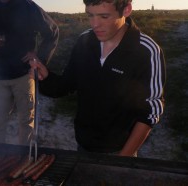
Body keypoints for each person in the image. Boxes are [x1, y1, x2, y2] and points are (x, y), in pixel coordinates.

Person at [29, 0, 166, 157]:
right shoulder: (84, 42)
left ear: (126, 10)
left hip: (120, 150)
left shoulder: (145, 50)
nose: (95, 24)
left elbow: (150, 112)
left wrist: (124, 158)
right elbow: (66, 84)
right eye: (90, 16)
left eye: (104, 16)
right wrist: (45, 77)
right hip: (83, 145)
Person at [0, 0, 59, 145]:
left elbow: (52, 31)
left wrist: (40, 57)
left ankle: (24, 157)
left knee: (26, 121)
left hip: (24, 74)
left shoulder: (28, 7)